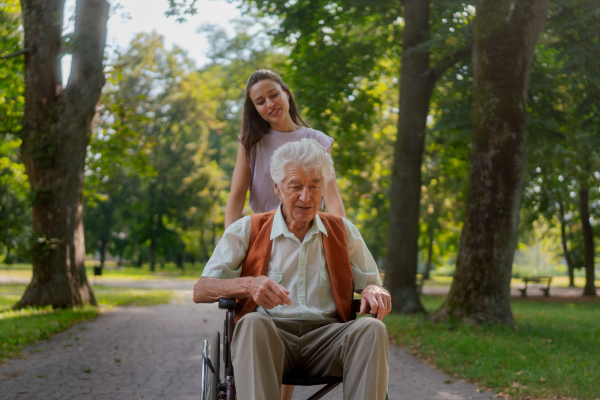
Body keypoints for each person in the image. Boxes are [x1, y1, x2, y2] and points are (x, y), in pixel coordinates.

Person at [194, 139, 391, 400]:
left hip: (328, 341)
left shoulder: (343, 231)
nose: (306, 197)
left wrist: (374, 289)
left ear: (323, 189)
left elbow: (372, 283)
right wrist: (248, 285)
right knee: (252, 323)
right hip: (271, 338)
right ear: (277, 187)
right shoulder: (247, 229)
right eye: (295, 186)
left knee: (372, 329)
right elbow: (201, 289)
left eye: (315, 186)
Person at [225, 69, 347, 400]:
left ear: (287, 94)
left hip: (309, 237)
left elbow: (333, 199)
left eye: (273, 95)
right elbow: (236, 197)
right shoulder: (251, 143)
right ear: (255, 108)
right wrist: (231, 246)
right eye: (259, 101)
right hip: (263, 238)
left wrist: (338, 242)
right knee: (264, 316)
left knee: (294, 312)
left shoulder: (317, 141)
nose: (269, 104)